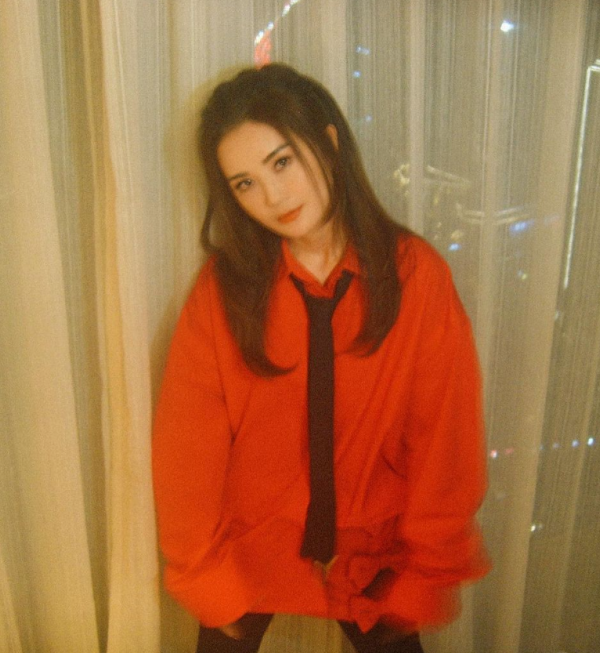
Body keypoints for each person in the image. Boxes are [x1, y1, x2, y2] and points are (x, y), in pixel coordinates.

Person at [152, 63, 490, 653]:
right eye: (244, 183)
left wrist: (428, 568)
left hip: (377, 554)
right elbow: (189, 447)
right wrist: (202, 575)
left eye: (281, 162)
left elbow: (445, 436)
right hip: (248, 549)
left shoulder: (415, 277)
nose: (272, 197)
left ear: (329, 142)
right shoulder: (224, 290)